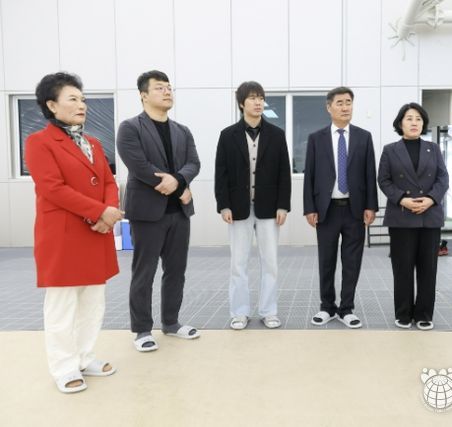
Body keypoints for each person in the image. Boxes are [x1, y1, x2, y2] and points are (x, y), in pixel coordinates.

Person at [25, 72, 122, 393]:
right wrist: (99, 212)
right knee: (62, 306)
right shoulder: (38, 143)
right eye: (73, 99)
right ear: (52, 105)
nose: (82, 105)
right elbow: (52, 188)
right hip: (64, 235)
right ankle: (64, 367)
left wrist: (109, 212)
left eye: (83, 99)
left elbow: (108, 181)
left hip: (96, 232)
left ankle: (84, 356)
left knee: (93, 302)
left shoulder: (93, 142)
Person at [117, 70, 201, 352]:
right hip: (147, 213)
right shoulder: (130, 128)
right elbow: (139, 166)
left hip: (179, 212)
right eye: (159, 88)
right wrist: (178, 186)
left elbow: (193, 163)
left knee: (176, 271)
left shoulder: (182, 131)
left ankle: (171, 323)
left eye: (169, 87)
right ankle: (142, 330)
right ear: (143, 95)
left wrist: (178, 181)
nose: (167, 92)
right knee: (145, 272)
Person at [214, 81, 291, 330]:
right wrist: (224, 205)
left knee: (270, 263)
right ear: (241, 103)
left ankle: (269, 311)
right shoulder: (228, 135)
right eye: (252, 98)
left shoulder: (277, 134)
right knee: (238, 263)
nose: (258, 102)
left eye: (261, 98)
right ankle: (239, 312)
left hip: (270, 209)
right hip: (238, 208)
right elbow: (221, 173)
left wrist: (283, 205)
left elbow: (284, 173)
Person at [303, 87, 379, 328]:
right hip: (326, 210)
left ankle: (346, 308)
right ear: (329, 107)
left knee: (352, 261)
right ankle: (327, 307)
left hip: (355, 210)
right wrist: (309, 208)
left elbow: (370, 173)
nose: (345, 107)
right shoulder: (316, 138)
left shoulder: (364, 137)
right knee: (326, 260)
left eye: (348, 102)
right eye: (340, 103)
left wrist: (371, 206)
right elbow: (309, 175)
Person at [377, 103, 449, 330]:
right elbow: (383, 180)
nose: (414, 122)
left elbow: (443, 178)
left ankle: (424, 314)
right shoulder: (390, 150)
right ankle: (403, 313)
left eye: (418, 118)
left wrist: (431, 199)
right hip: (402, 215)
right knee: (403, 268)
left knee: (428, 268)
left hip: (430, 215)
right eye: (409, 118)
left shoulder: (433, 149)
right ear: (400, 123)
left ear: (423, 123)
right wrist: (402, 199)